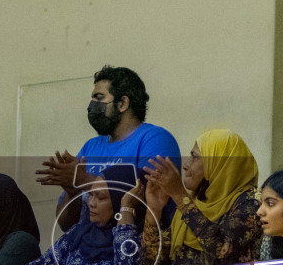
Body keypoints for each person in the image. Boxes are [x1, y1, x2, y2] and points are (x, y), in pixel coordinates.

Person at [37, 65, 182, 232]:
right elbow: (66, 225)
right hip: (86, 249)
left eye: (99, 98)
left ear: (122, 103)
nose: (91, 106)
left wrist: (83, 180)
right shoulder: (91, 146)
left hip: (129, 249)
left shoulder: (155, 138)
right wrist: (72, 190)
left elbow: (146, 200)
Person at [140, 129, 261, 265]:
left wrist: (180, 196)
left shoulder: (249, 203)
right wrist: (154, 210)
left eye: (194, 157)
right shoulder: (195, 204)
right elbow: (152, 262)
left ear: (218, 163)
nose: (186, 165)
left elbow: (222, 249)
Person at [21, 167, 143, 265]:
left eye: (101, 197)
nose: (91, 203)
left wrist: (126, 208)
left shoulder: (138, 237)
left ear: (119, 199)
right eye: (91, 195)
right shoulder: (79, 233)